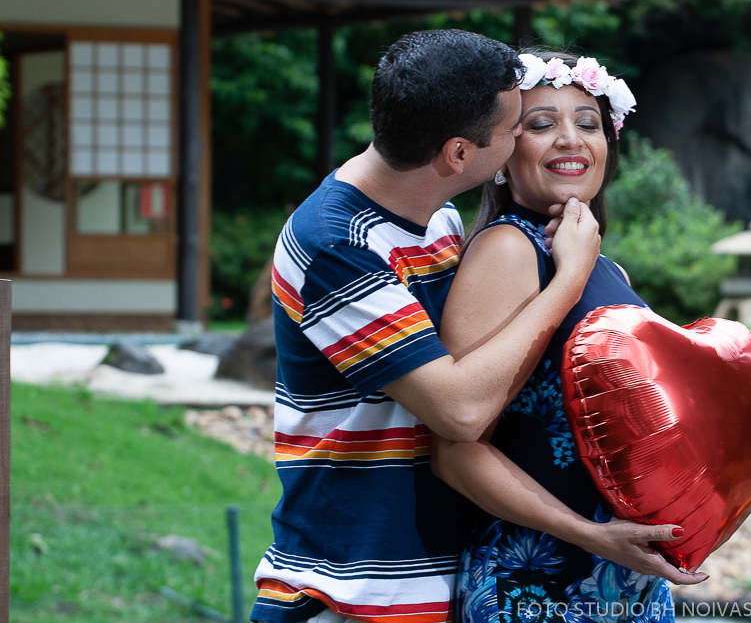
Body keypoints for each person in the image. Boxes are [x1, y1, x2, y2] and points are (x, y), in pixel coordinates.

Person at [250, 31, 685, 623]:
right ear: (460, 155)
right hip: (353, 586)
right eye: (520, 128)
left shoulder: (438, 222)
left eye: (589, 122)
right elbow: (460, 417)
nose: (554, 139)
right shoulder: (336, 245)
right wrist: (568, 278)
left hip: (429, 570)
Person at [431, 51, 706, 623]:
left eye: (588, 123)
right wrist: (587, 534)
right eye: (541, 124)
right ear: (504, 153)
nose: (570, 140)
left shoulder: (605, 266)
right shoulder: (509, 250)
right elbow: (456, 450)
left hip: (627, 582)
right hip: (534, 583)